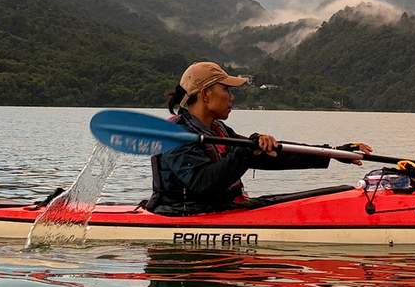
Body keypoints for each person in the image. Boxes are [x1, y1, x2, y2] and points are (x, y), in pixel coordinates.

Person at [146, 61, 370, 214]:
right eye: (226, 90)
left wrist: (333, 152)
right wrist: (246, 151)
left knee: (342, 191)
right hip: (185, 215)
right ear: (205, 94)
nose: (231, 97)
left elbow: (275, 156)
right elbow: (203, 183)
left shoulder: (219, 131)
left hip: (226, 209)